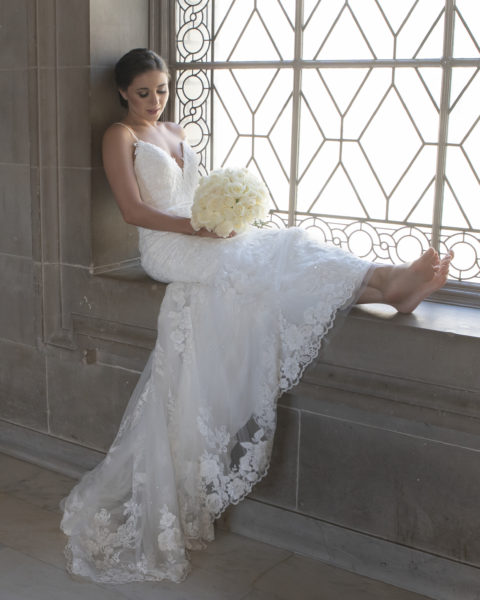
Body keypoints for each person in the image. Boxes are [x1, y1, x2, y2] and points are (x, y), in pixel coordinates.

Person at [60, 49, 452, 585]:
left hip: (202, 238)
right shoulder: (120, 136)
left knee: (285, 244)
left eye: (163, 89)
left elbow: (198, 198)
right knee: (263, 262)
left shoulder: (175, 131)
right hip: (168, 248)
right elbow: (133, 212)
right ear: (124, 92)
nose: (156, 101)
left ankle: (386, 281)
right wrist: (198, 230)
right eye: (145, 92)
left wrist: (225, 215)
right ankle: (385, 283)